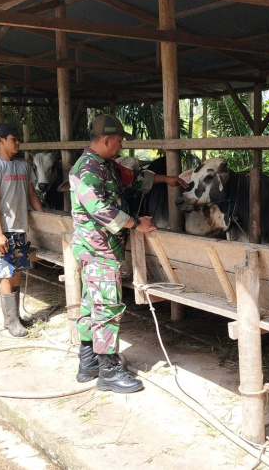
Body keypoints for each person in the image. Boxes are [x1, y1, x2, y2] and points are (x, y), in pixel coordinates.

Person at [70, 114, 187, 393]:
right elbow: (98, 209)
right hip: (98, 250)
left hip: (98, 248)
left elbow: (133, 178)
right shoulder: (86, 169)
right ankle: (109, 372)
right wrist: (136, 224)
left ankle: (88, 363)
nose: (121, 146)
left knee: (91, 305)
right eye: (120, 141)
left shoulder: (106, 165)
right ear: (106, 139)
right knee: (107, 307)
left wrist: (168, 179)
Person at [0, 123, 44, 337]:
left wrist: (44, 218)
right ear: (0, 140)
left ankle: (16, 317)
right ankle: (10, 322)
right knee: (6, 274)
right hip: (1, 230)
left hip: (19, 228)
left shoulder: (23, 166)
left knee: (16, 272)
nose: (17, 142)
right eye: (13, 138)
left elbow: (32, 194)